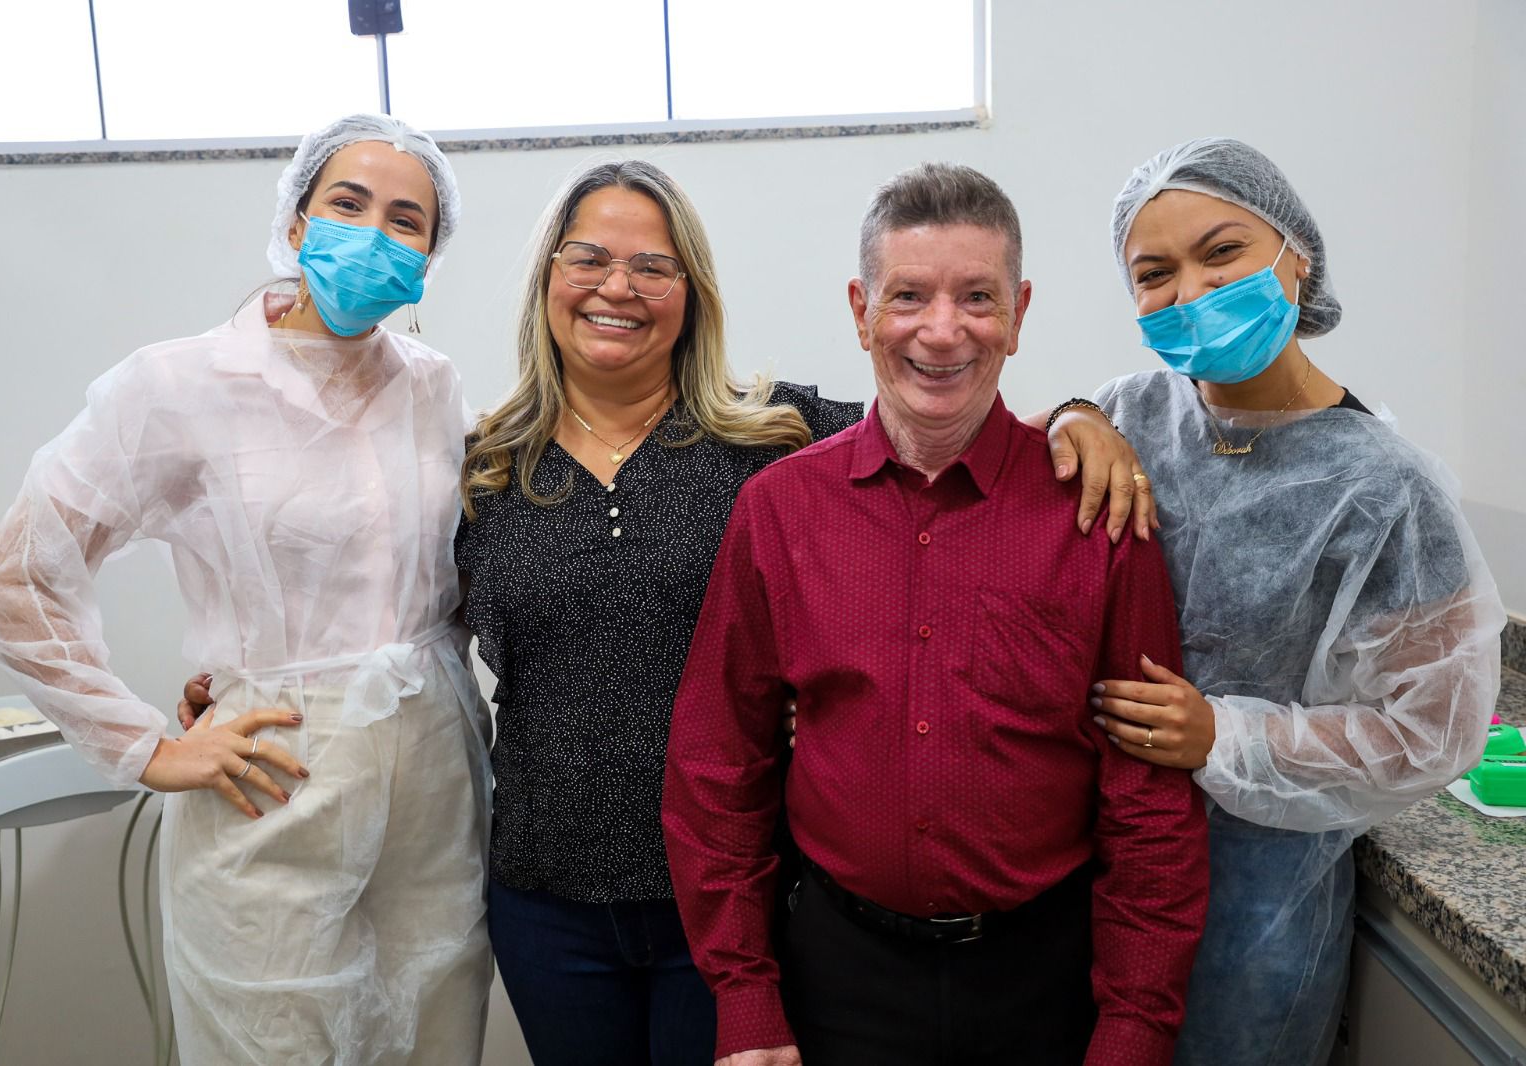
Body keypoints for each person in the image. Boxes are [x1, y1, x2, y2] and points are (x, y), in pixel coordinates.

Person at [450, 158, 1157, 1066]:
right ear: (547, 274)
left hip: (737, 906)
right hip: (551, 891)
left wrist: (1077, 416)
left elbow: (935, 415)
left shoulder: (766, 436)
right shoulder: (482, 466)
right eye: (588, 258)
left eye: (653, 266)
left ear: (691, 292)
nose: (617, 287)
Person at [0, 114, 493, 1066]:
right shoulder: (179, 386)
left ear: (428, 258)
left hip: (436, 785)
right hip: (271, 777)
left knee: (437, 1032)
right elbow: (15, 581)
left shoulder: (434, 389)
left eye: (405, 220)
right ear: (295, 222)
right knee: (271, 1039)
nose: (373, 233)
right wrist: (146, 746)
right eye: (348, 204)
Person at [662, 162, 1209, 1066]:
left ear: (1019, 315)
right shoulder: (780, 510)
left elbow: (1148, 802)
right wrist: (745, 997)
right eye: (909, 295)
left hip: (1047, 978)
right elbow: (719, 763)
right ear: (862, 311)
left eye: (978, 297)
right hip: (839, 977)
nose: (943, 330)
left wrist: (1134, 1030)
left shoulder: (1101, 512)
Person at [1084, 137, 1505, 1066]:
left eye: (1222, 252)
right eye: (1154, 273)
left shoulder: (1385, 486)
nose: (1192, 290)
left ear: (1296, 253)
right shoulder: (1127, 414)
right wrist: (1074, 414)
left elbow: (1432, 732)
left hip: (1259, 899)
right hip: (1101, 875)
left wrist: (1224, 737)